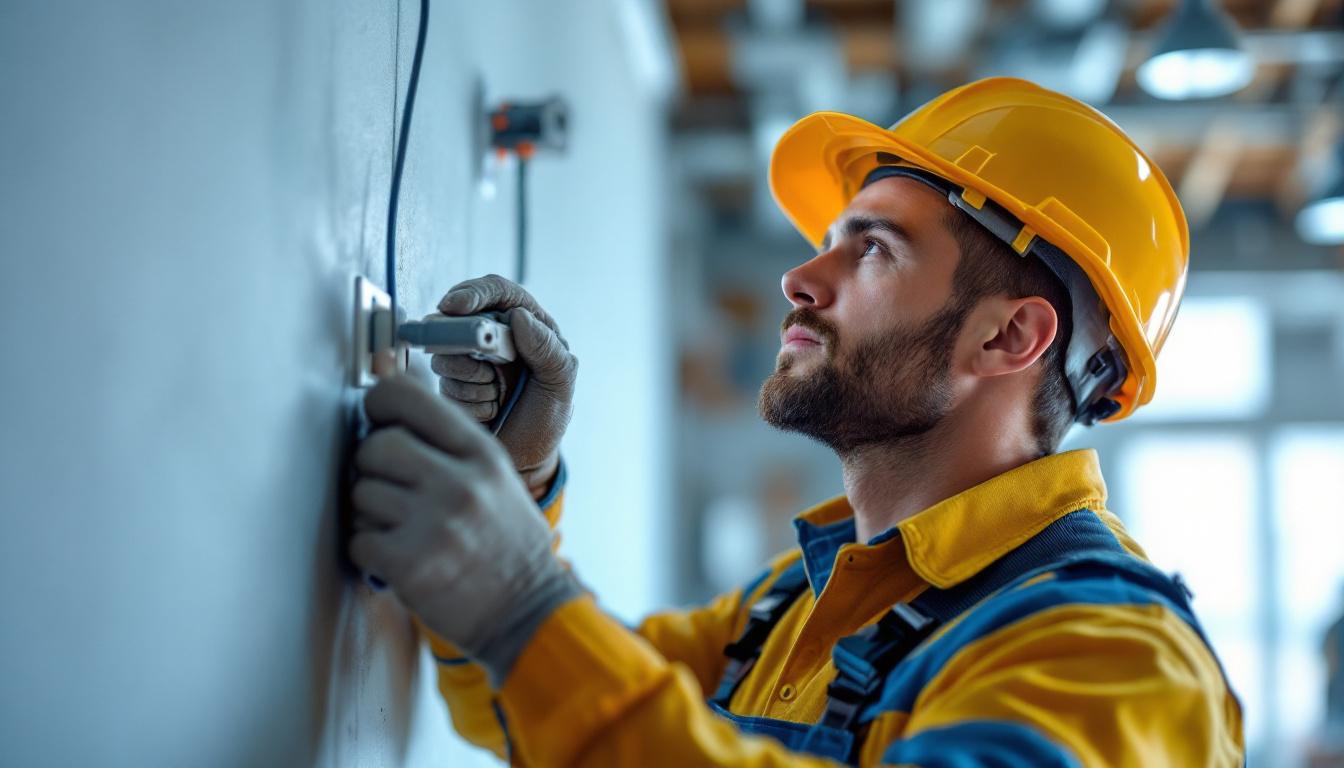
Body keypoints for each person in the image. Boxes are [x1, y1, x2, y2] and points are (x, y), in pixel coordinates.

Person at [347, 78, 1245, 766]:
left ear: (1009, 335)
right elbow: (543, 715)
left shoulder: (1115, 657)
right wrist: (519, 495)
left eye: (875, 250)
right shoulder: (796, 603)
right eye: (831, 239)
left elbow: (564, 678)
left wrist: (524, 608)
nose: (801, 279)